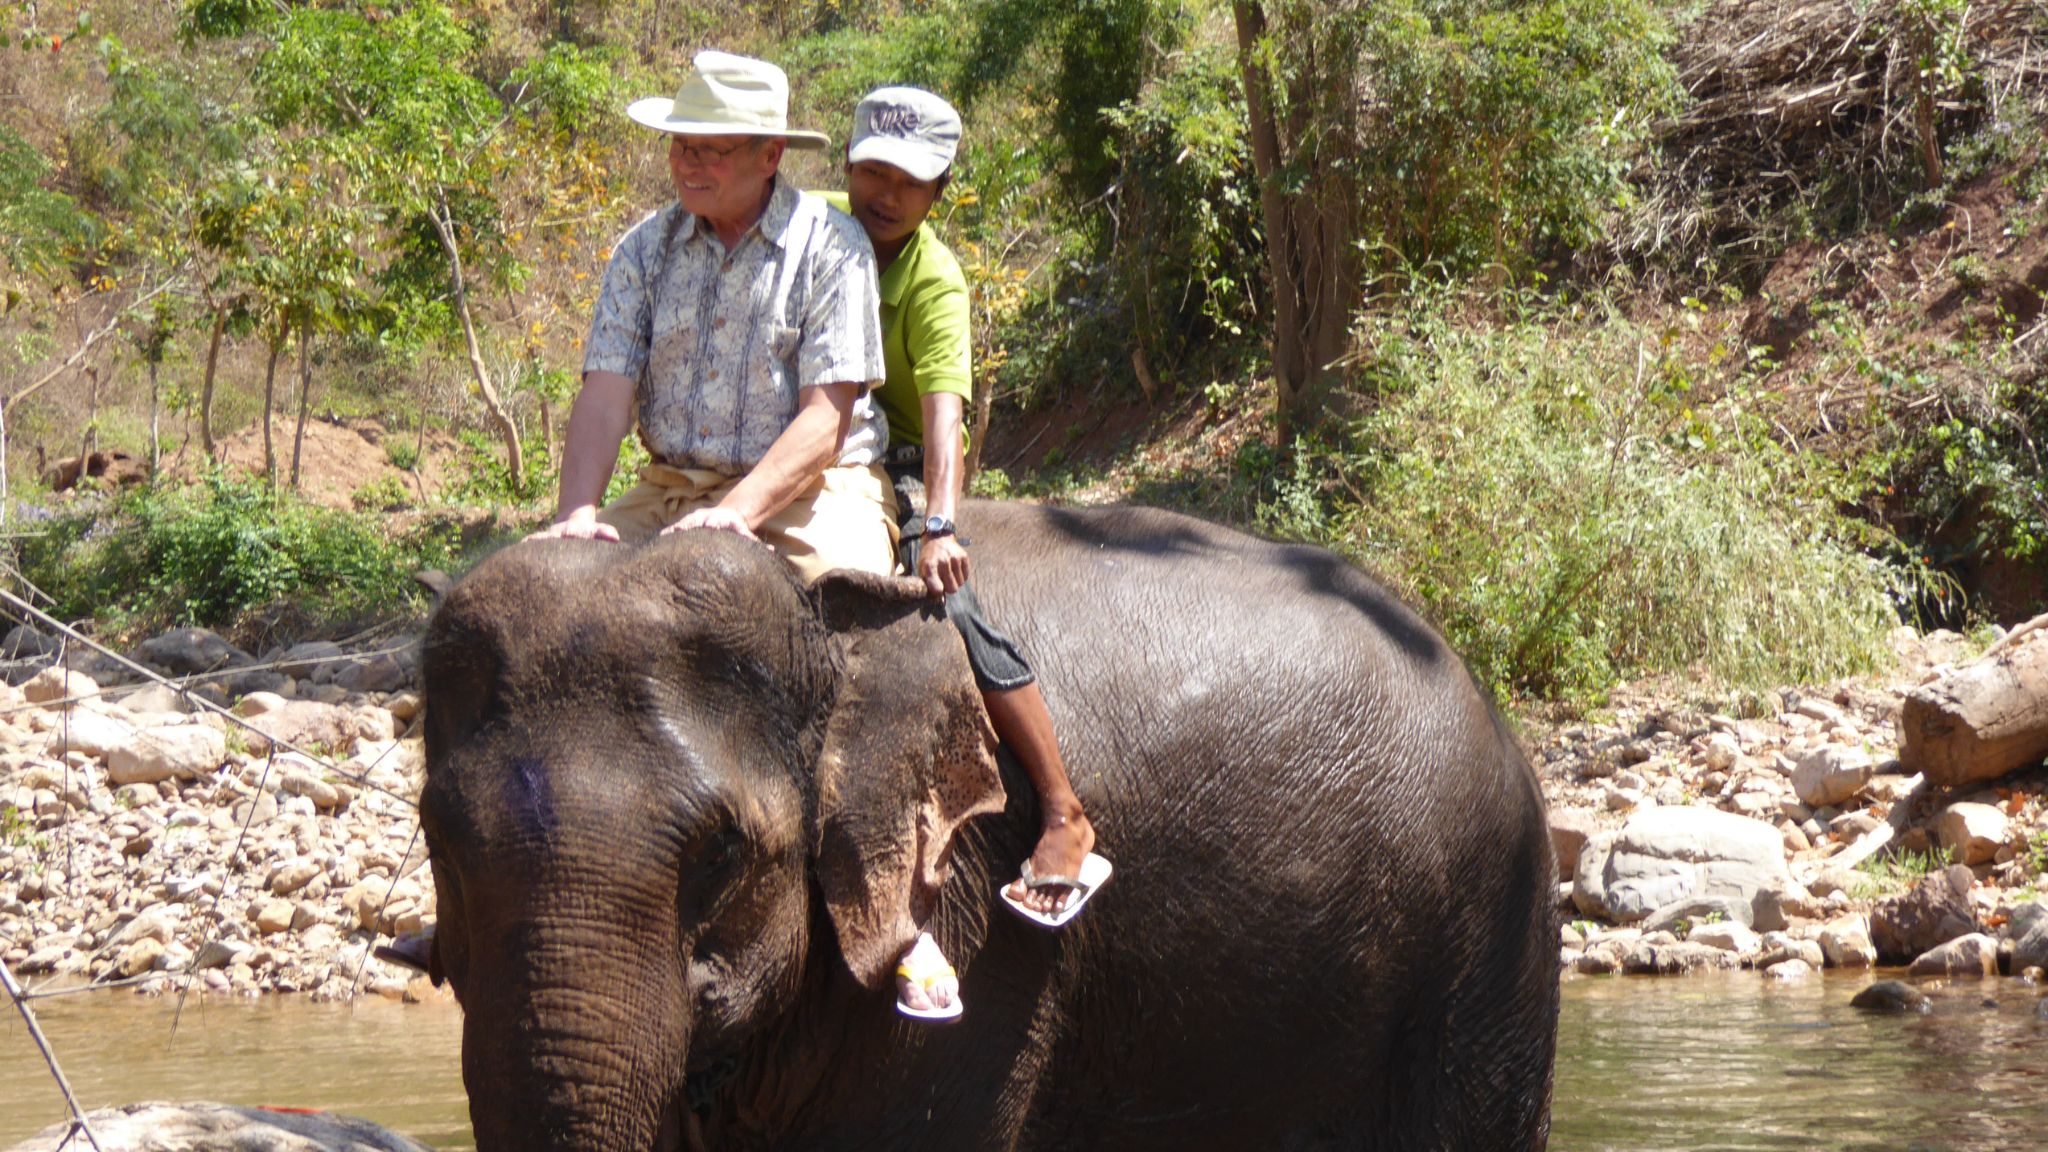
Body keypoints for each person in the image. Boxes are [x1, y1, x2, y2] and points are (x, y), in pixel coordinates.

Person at [380, 52, 954, 1018]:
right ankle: (467, 907)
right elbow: (606, 390)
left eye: (715, 149)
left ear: (772, 154)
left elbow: (827, 415)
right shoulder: (643, 248)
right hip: (672, 480)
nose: (691, 164)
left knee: (857, 634)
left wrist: (741, 516)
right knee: (512, 618)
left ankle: (893, 908)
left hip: (816, 484)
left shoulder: (831, 248)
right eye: (681, 145)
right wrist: (575, 515)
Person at [820, 88, 1108, 953]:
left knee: (943, 606)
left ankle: (1063, 810)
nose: (884, 191)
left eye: (907, 180)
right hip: (799, 438)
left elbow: (944, 406)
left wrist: (940, 521)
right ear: (846, 164)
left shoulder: (932, 279)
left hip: (897, 458)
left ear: (940, 188)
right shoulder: (812, 227)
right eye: (871, 168)